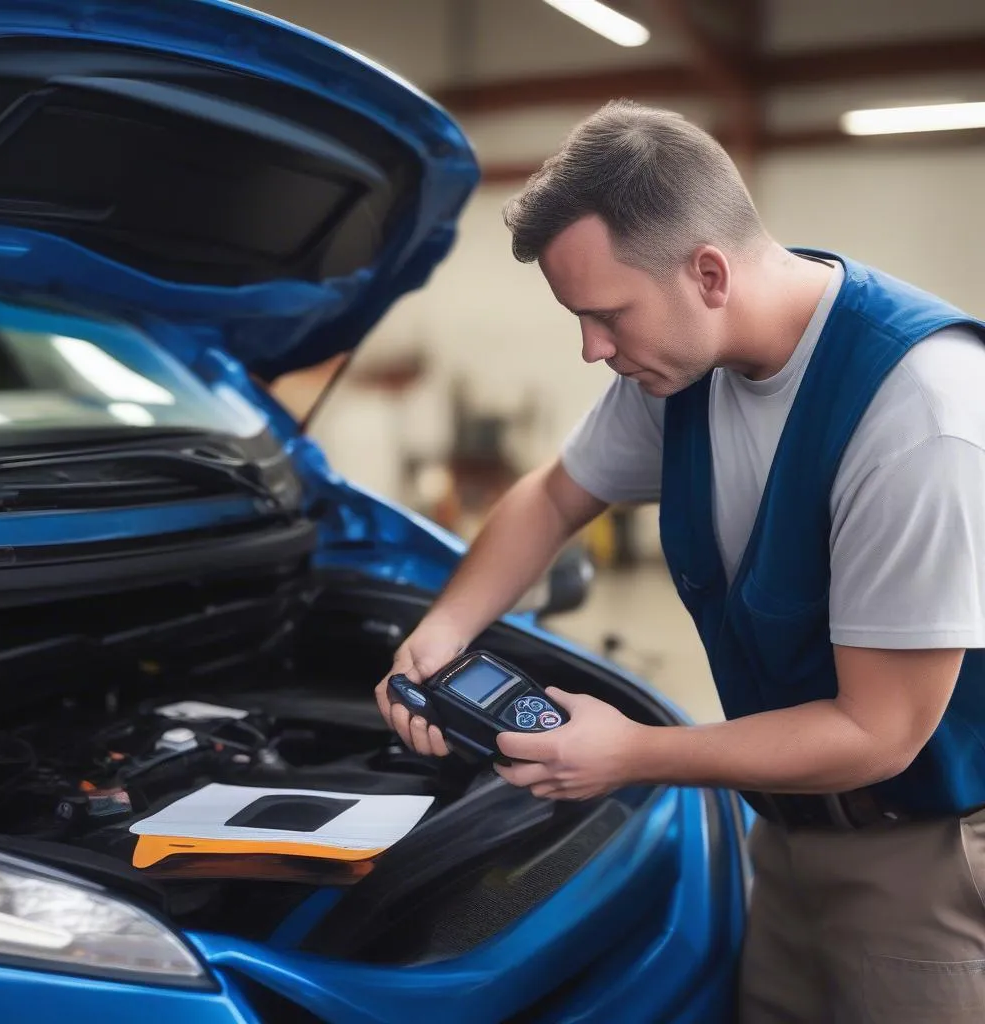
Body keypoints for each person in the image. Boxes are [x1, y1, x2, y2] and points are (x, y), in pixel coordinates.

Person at [373, 100, 985, 1022]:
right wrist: (444, 629)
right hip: (778, 836)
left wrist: (634, 754)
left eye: (605, 314)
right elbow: (552, 494)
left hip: (921, 865)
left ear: (707, 272)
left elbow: (881, 732)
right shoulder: (681, 370)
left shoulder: (917, 417)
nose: (592, 349)